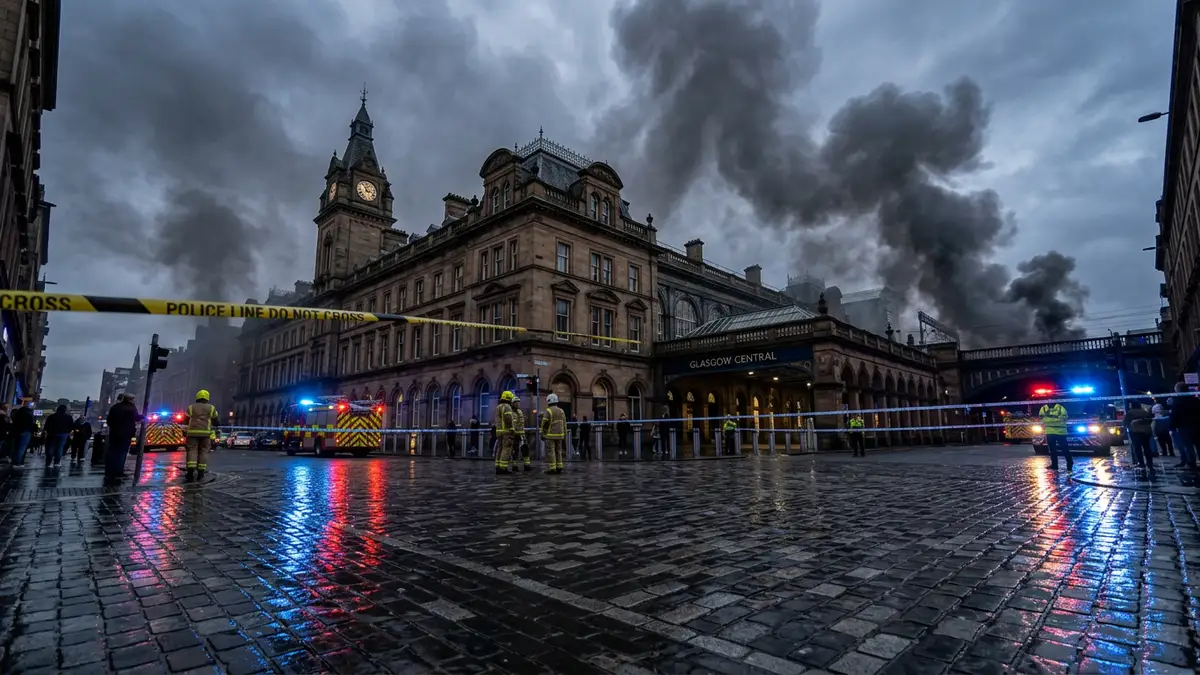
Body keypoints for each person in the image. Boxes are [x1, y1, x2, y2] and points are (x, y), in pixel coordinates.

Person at [181, 389, 220, 482]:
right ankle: (201, 472)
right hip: (205, 434)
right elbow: (216, 421)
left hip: (192, 434)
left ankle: (190, 473)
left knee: (192, 451)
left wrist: (185, 430)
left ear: (197, 397)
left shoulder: (191, 407)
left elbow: (185, 420)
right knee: (204, 451)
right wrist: (216, 426)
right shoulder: (211, 408)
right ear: (207, 398)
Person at [105, 394, 141, 478]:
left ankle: (109, 471)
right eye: (133, 399)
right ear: (130, 400)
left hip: (114, 434)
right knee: (122, 453)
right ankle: (118, 471)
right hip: (126, 434)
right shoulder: (130, 408)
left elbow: (109, 421)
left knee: (112, 452)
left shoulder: (115, 407)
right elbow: (136, 417)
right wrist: (143, 417)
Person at [1169, 382, 1200, 469]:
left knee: (1188, 446)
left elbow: (1174, 415)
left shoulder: (1178, 401)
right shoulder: (1195, 400)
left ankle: (1191, 463)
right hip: (1197, 426)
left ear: (1178, 390)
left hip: (1184, 427)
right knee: (1198, 445)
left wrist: (1172, 427)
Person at [1038, 397, 1072, 471]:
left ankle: (1069, 463)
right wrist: (1055, 419)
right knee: (1053, 450)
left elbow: (1064, 417)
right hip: (1051, 432)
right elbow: (1041, 418)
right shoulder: (1044, 408)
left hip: (1060, 432)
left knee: (1064, 449)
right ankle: (1054, 465)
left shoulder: (1060, 408)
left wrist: (1049, 419)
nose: (1049, 401)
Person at [1124, 400, 1155, 471]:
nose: (1129, 406)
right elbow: (1150, 420)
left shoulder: (1130, 413)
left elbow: (1125, 423)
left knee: (1137, 449)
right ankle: (1150, 464)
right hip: (1146, 432)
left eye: (1130, 404)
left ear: (1132, 405)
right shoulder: (1145, 412)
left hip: (1135, 432)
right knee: (1147, 448)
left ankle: (1141, 464)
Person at [541, 393, 567, 474]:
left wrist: (542, 433)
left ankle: (552, 468)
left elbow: (544, 423)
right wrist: (564, 433)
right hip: (560, 435)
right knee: (558, 451)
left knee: (551, 451)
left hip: (550, 435)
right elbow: (564, 423)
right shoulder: (561, 411)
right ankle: (559, 466)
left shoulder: (548, 411)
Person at [494, 390, 516, 474]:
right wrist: (511, 429)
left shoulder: (498, 407)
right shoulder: (507, 406)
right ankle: (503, 468)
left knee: (500, 448)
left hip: (499, 431)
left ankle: (498, 466)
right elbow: (508, 418)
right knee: (506, 449)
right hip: (506, 431)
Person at [511, 395, 530, 471]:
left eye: (518, 402)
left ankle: (527, 465)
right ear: (512, 403)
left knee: (525, 448)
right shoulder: (511, 412)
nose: (517, 404)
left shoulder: (520, 411)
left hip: (522, 433)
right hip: (514, 434)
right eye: (516, 402)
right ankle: (514, 466)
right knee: (515, 450)